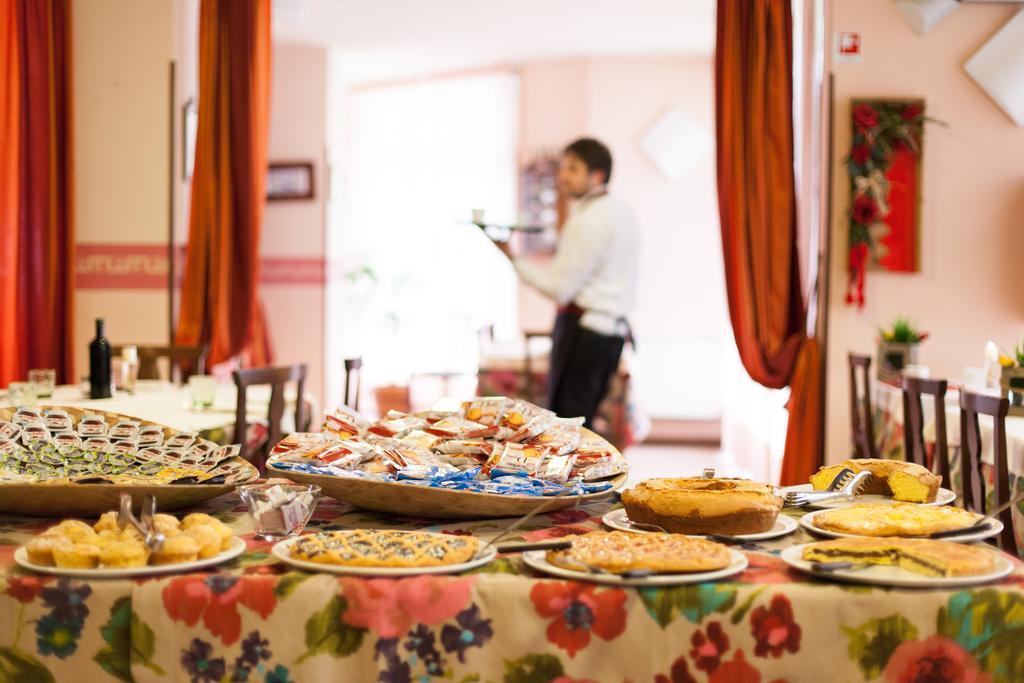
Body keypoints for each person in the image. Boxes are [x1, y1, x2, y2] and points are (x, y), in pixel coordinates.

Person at [494, 137, 639, 428]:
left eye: (572, 168)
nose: (562, 175)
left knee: (566, 425)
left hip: (584, 332)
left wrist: (513, 258)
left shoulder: (588, 221)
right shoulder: (621, 212)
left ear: (596, 175)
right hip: (609, 332)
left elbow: (560, 289)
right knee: (581, 421)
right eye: (562, 167)